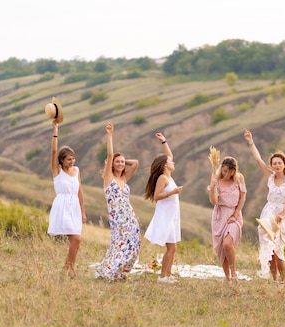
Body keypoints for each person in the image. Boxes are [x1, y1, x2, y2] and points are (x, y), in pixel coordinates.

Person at [243, 128, 285, 286]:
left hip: (281, 215)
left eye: (280, 163)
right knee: (270, 249)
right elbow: (258, 160)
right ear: (272, 166)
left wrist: (282, 214)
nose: (277, 165)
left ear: (284, 164)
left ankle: (284, 280)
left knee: (279, 249)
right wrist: (251, 142)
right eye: (275, 163)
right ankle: (274, 279)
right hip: (268, 213)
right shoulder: (270, 177)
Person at [95, 122, 141, 281]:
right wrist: (109, 136)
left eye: (122, 162)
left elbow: (135, 163)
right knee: (119, 245)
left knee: (134, 246)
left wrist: (122, 160)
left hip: (130, 216)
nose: (121, 164)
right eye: (118, 162)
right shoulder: (109, 178)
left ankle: (120, 273)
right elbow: (109, 155)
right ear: (111, 164)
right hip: (118, 218)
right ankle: (108, 271)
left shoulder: (123, 178)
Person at [47, 120, 87, 278]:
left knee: (76, 240)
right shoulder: (57, 171)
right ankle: (69, 268)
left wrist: (83, 211)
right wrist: (55, 132)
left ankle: (68, 268)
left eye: (73, 158)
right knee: (76, 239)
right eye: (69, 159)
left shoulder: (76, 171)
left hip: (74, 207)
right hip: (62, 206)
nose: (72, 162)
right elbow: (53, 151)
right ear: (62, 160)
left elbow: (80, 191)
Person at [144, 133, 183, 284]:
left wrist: (164, 141)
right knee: (171, 248)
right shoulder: (163, 178)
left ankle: (166, 274)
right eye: (170, 162)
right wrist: (173, 192)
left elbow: (169, 155)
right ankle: (163, 277)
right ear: (165, 165)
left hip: (172, 216)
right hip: (165, 216)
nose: (173, 162)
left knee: (173, 248)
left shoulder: (169, 176)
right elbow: (157, 196)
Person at [208, 156, 247, 285]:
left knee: (227, 244)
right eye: (224, 171)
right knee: (221, 248)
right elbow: (214, 201)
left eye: (229, 172)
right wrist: (213, 186)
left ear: (234, 171)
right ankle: (227, 277)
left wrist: (235, 215)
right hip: (220, 216)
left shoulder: (239, 178)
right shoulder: (216, 179)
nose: (226, 174)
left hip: (234, 215)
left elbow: (242, 197)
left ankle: (234, 273)